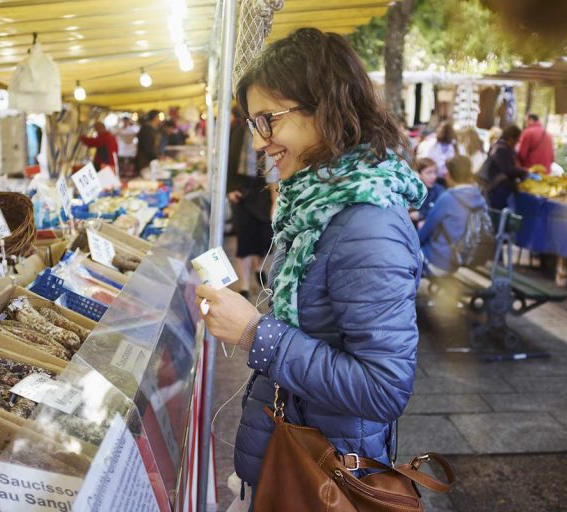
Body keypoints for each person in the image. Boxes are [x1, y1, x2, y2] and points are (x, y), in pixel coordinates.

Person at [195, 28, 426, 507]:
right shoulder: (318, 204)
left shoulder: (365, 225)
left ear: (325, 106)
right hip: (298, 456)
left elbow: (383, 389)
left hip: (325, 475)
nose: (260, 143)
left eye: (268, 120)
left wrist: (256, 335)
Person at [227, 106, 277, 299]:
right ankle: (245, 285)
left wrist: (276, 198)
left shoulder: (272, 129)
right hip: (244, 191)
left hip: (267, 190)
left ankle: (259, 269)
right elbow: (229, 160)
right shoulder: (239, 130)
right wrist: (231, 188)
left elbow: (278, 168)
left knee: (265, 238)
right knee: (245, 240)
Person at [418, 155, 488, 276]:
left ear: (449, 175)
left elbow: (424, 233)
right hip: (462, 259)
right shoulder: (479, 198)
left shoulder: (447, 198)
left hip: (437, 261)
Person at [485, 124, 528, 210]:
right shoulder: (501, 150)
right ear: (511, 139)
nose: (516, 143)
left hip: (499, 190)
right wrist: (523, 171)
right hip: (498, 191)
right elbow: (508, 169)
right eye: (516, 140)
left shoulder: (502, 147)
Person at [410, 157, 444, 226]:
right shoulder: (411, 189)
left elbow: (441, 211)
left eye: (435, 172)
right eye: (429, 173)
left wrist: (421, 215)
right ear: (418, 174)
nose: (434, 176)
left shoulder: (439, 191)